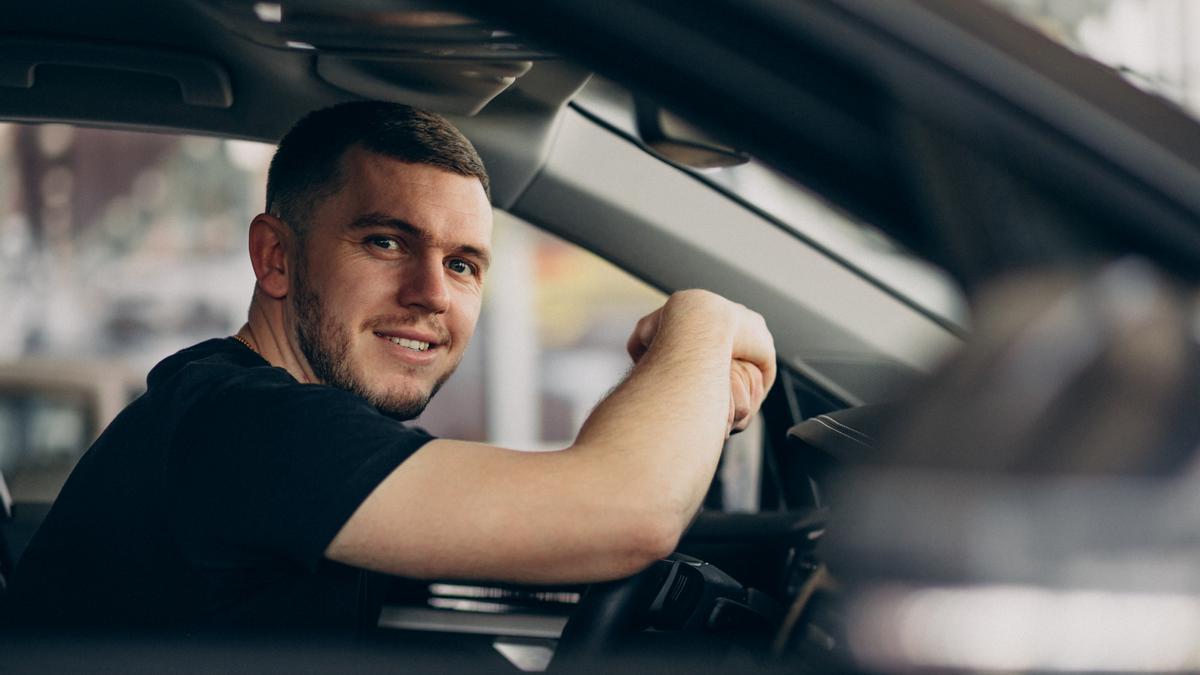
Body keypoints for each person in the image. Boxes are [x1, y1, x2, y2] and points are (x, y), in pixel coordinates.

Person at [6, 102, 775, 633]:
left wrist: (693, 383)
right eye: (386, 242)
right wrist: (702, 320)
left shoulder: (259, 415)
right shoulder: (247, 425)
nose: (432, 293)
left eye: (465, 264)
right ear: (275, 257)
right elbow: (624, 512)